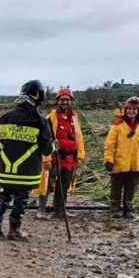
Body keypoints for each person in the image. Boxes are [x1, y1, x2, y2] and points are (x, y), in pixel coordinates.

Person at [0, 80, 55, 240]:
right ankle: (14, 229)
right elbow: (47, 149)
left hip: (5, 171)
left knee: (4, 196)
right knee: (21, 199)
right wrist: (55, 145)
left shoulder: (4, 118)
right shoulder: (39, 121)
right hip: (26, 173)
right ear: (39, 96)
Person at [103, 96, 139, 218]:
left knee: (130, 188)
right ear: (125, 110)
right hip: (118, 164)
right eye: (129, 108)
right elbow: (110, 145)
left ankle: (128, 210)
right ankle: (114, 209)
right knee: (116, 188)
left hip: (135, 164)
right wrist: (108, 160)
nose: (132, 111)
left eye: (135, 109)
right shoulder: (117, 126)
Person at [43, 87, 86, 218]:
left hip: (69, 159)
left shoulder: (74, 118)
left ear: (71, 101)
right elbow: (44, 141)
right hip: (55, 158)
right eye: (62, 100)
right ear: (58, 101)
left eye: (67, 100)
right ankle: (41, 209)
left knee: (64, 186)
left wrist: (80, 156)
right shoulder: (50, 118)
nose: (65, 102)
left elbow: (79, 138)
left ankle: (60, 211)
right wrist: (46, 159)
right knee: (48, 185)